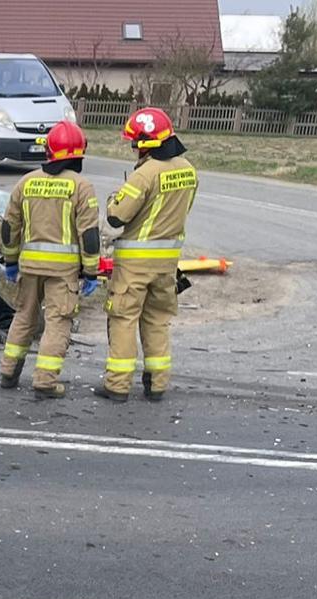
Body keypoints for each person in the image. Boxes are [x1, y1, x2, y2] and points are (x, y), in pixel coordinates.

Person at [98, 107, 198, 402]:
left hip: (134, 265)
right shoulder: (188, 170)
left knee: (123, 319)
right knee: (157, 320)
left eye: (135, 143)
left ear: (146, 143)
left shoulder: (144, 175)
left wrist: (114, 199)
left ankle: (117, 385)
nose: (133, 148)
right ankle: (157, 384)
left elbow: (117, 217)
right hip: (167, 263)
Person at [0, 121, 100, 398]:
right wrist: (91, 272)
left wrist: (10, 261)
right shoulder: (81, 186)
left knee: (23, 317)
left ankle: (8, 372)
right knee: (58, 322)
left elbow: (9, 227)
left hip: (29, 267)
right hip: (63, 271)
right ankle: (45, 381)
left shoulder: (26, 182)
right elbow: (89, 235)